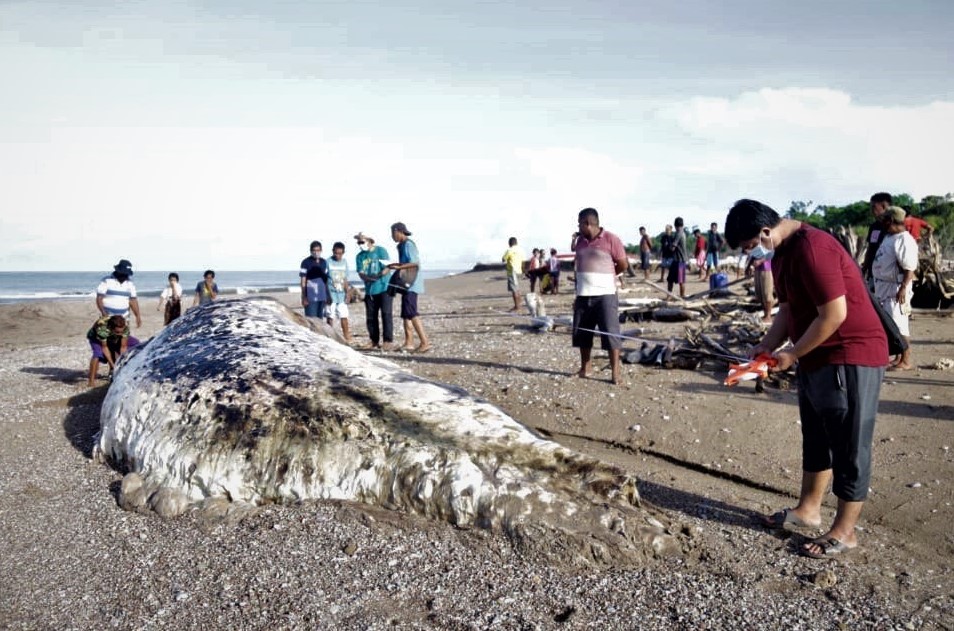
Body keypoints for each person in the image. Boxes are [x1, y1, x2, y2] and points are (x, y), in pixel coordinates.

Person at [724, 199, 888, 560]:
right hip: (815, 357)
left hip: (850, 354)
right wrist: (767, 346)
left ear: (764, 232)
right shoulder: (781, 254)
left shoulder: (813, 249)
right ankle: (808, 510)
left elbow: (834, 314)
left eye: (750, 246)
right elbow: (788, 310)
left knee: (849, 443)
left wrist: (794, 353)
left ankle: (845, 531)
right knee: (816, 437)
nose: (751, 254)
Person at [570, 208, 628, 385]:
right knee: (582, 332)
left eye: (579, 224)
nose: (578, 227)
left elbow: (623, 264)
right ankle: (585, 368)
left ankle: (615, 373)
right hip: (583, 294)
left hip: (605, 295)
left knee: (610, 333)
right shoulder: (580, 241)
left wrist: (607, 276)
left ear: (588, 223)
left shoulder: (611, 239)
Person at [873, 207, 919, 370]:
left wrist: (903, 288)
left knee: (899, 323)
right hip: (885, 286)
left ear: (891, 221)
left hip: (896, 287)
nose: (883, 224)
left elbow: (909, 268)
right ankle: (898, 356)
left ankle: (906, 359)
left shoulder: (905, 240)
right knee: (890, 323)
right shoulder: (890, 237)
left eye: (885, 221)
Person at [388, 222, 431, 352]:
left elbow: (415, 263)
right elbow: (405, 263)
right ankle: (409, 342)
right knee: (406, 314)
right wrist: (395, 265)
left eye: (393, 233)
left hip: (412, 283)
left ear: (400, 231)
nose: (392, 236)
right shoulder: (401, 246)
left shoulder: (408, 244)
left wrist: (399, 267)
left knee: (412, 313)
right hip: (406, 283)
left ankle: (425, 342)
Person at [354, 232, 394, 350]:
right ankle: (374, 340)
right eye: (358, 242)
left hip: (384, 287)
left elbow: (388, 267)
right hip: (370, 290)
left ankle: (387, 340)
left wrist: (379, 275)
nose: (360, 244)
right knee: (371, 317)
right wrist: (366, 278)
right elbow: (360, 272)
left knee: (386, 314)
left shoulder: (381, 251)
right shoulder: (360, 256)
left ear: (369, 240)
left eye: (362, 241)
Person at [86, 314, 140, 387]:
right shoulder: (102, 329)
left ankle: (114, 372)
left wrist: (122, 362)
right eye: (118, 332)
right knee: (97, 354)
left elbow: (123, 347)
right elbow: (105, 348)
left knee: (136, 344)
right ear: (111, 328)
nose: (120, 334)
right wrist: (112, 364)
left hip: (112, 335)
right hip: (96, 337)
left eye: (121, 332)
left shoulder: (124, 328)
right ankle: (91, 381)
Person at [96, 259, 142, 328]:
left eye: (127, 274)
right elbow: (99, 298)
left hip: (124, 318)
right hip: (107, 317)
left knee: (122, 334)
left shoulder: (130, 283)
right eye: (124, 274)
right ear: (118, 271)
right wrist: (103, 312)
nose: (125, 276)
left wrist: (137, 316)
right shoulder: (106, 280)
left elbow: (133, 301)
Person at [861, 192, 893, 284]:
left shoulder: (895, 227)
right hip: (874, 273)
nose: (871, 210)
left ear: (883, 206)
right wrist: (864, 269)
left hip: (890, 276)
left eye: (874, 207)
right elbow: (871, 248)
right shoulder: (874, 227)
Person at [326, 242, 353, 343]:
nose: (338, 255)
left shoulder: (344, 262)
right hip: (331, 294)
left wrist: (348, 293)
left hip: (341, 294)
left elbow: (345, 279)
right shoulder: (328, 262)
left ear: (343, 253)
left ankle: (347, 337)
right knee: (330, 317)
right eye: (336, 253)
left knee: (344, 316)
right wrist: (327, 295)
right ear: (333, 251)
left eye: (340, 253)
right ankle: (330, 337)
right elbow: (324, 280)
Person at [300, 241, 329, 319]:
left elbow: (326, 280)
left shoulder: (324, 262)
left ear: (321, 250)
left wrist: (327, 295)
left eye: (318, 250)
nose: (316, 252)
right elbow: (303, 281)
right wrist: (303, 297)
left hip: (322, 295)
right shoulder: (305, 262)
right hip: (310, 296)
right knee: (311, 319)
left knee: (320, 319)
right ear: (311, 251)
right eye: (314, 250)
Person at [746, 253, 775, 323]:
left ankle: (768, 316)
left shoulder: (767, 245)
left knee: (767, 294)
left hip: (767, 267)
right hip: (757, 268)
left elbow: (771, 252)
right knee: (759, 294)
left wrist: (760, 261)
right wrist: (748, 266)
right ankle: (765, 314)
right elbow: (755, 253)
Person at [501, 237, 524, 311]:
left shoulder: (509, 250)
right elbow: (523, 260)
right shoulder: (520, 250)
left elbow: (503, 259)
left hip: (512, 271)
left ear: (509, 243)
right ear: (516, 243)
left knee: (514, 290)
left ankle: (517, 306)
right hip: (519, 270)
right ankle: (519, 304)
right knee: (517, 289)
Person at [667, 218, 688, 297]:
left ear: (675, 226)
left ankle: (672, 296)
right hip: (679, 260)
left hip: (679, 260)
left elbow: (672, 248)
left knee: (675, 281)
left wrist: (669, 238)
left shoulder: (678, 234)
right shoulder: (683, 233)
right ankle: (681, 297)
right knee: (678, 280)